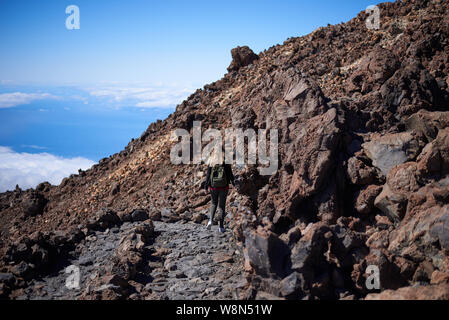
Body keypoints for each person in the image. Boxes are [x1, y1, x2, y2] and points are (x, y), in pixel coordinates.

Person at [204, 151, 235, 233]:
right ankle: (221, 227)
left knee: (213, 203)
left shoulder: (211, 161)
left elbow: (208, 174)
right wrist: (234, 183)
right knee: (221, 206)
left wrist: (206, 186)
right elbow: (230, 174)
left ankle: (210, 221)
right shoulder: (226, 161)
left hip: (213, 187)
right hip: (224, 187)